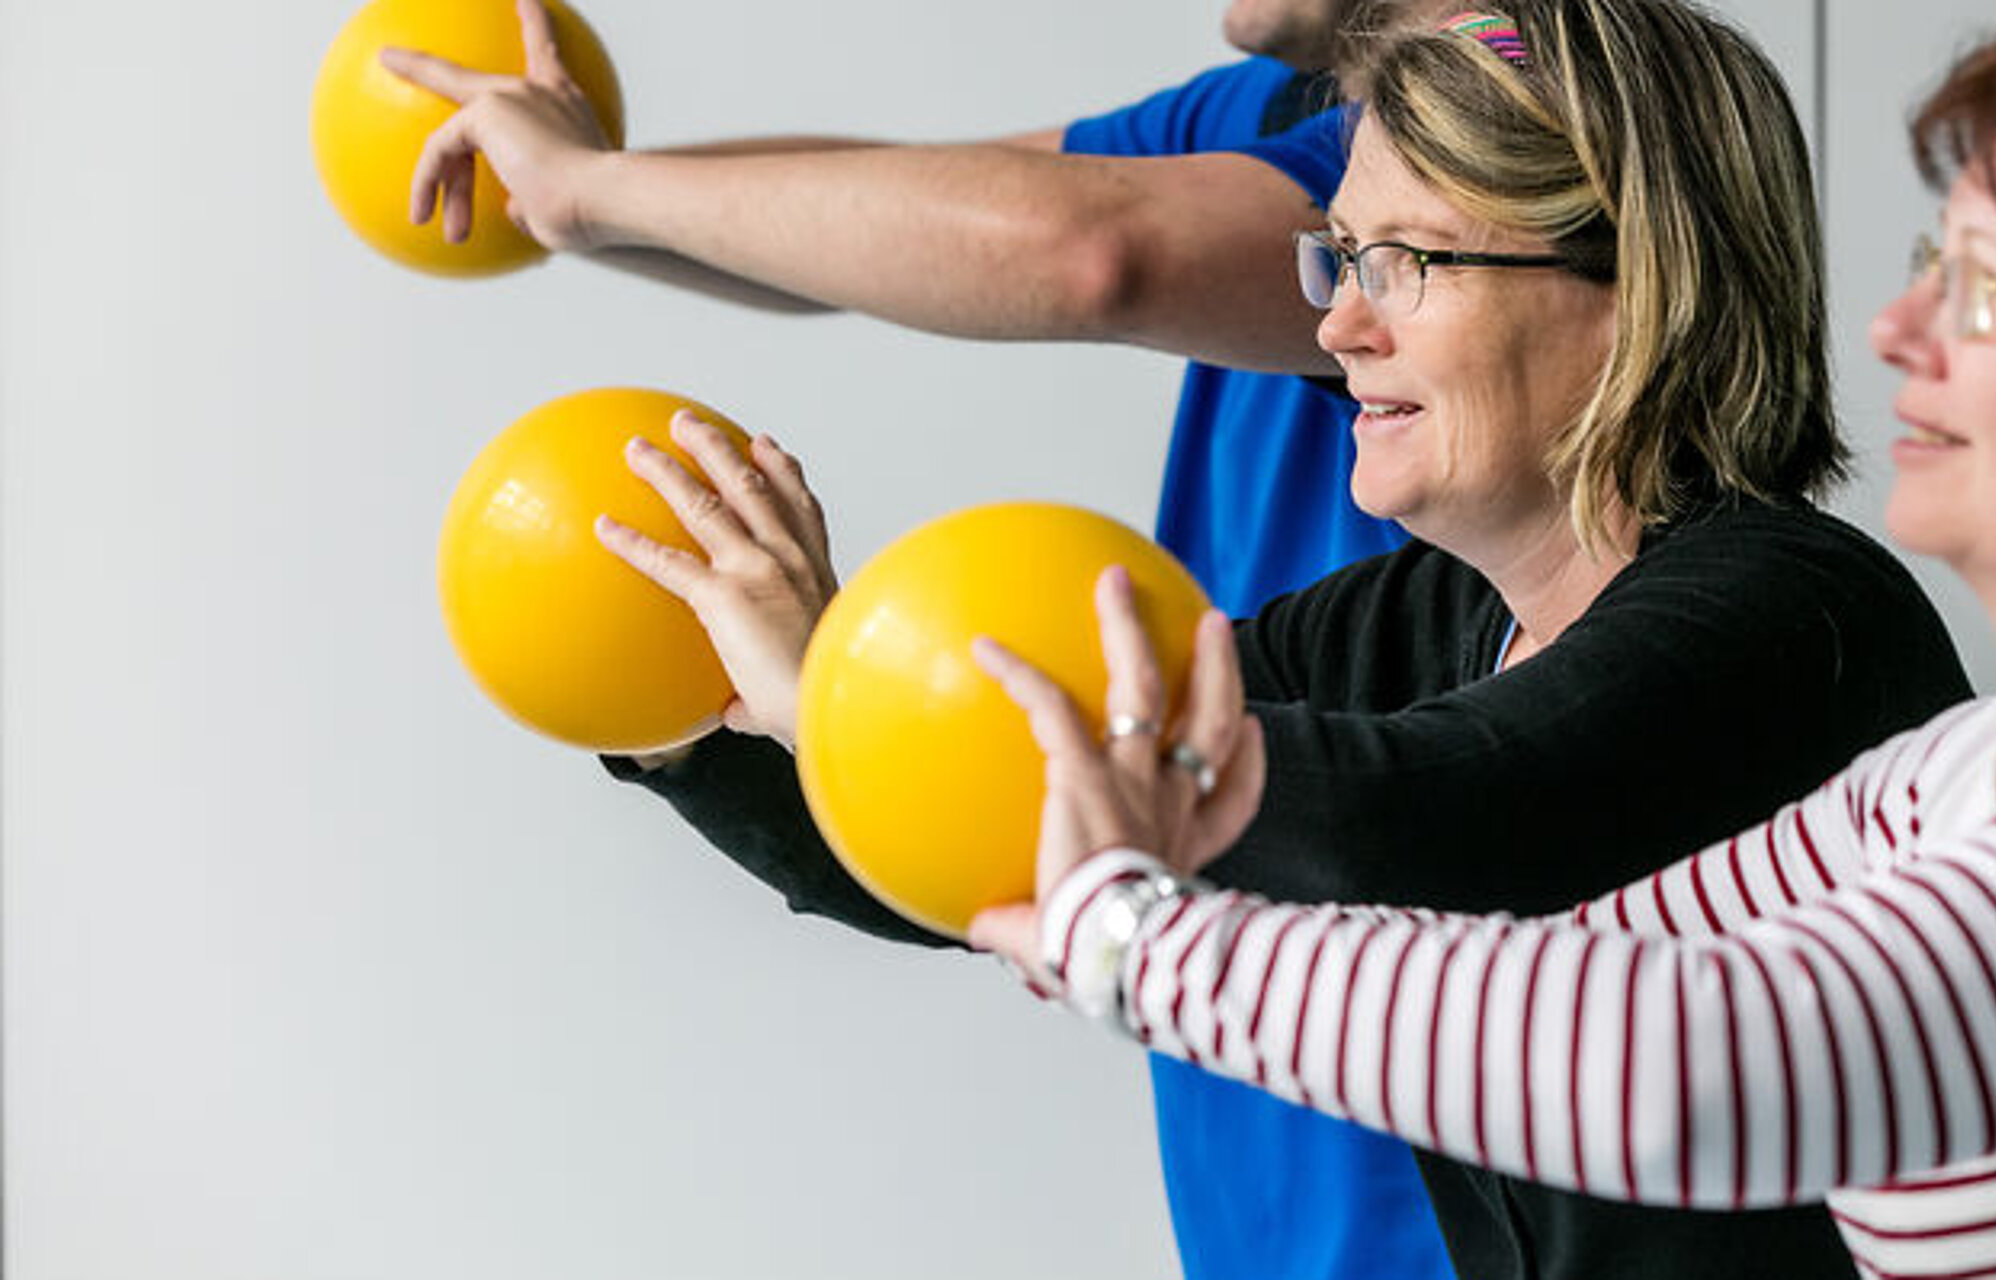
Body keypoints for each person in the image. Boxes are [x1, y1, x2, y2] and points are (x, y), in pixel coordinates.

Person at [978, 15, 1996, 1280]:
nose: (1899, 330)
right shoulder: (1978, 771)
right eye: (1937, 267)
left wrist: (1145, 943)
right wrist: (1155, 873)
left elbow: (1697, 1068)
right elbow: (1608, 963)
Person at [590, 3, 1971, 1276]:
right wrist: (680, 709)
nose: (1337, 322)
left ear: (1631, 286)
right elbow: (995, 835)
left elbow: (1415, 820)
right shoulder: (1429, 617)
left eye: (1406, 263)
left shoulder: (1792, 618)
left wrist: (839, 683)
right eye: (1344, 255)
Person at [382, 2, 1436, 1275]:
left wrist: (597, 189)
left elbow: (1089, 251)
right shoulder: (1272, 111)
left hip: (1445, 1186)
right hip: (1260, 1192)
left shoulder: (1512, 126)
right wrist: (570, 179)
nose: (1347, 297)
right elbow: (897, 203)